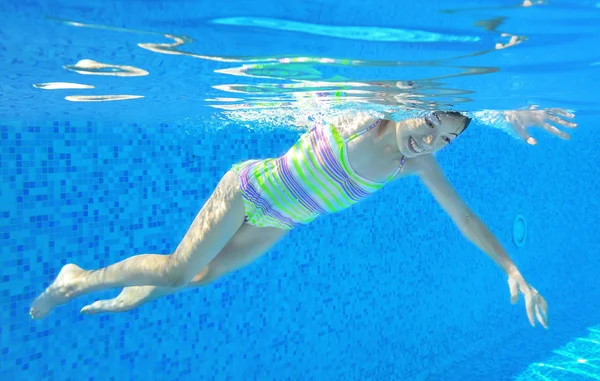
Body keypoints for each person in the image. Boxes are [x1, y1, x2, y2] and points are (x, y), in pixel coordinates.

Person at [30, 107, 576, 328]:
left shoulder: (417, 164)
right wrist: (505, 112)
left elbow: (465, 218)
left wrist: (510, 268)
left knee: (195, 278)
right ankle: (77, 279)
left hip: (280, 222)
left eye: (445, 139)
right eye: (429, 122)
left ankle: (130, 290)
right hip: (248, 192)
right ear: (412, 103)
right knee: (176, 269)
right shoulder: (371, 117)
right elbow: (432, 86)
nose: (430, 137)